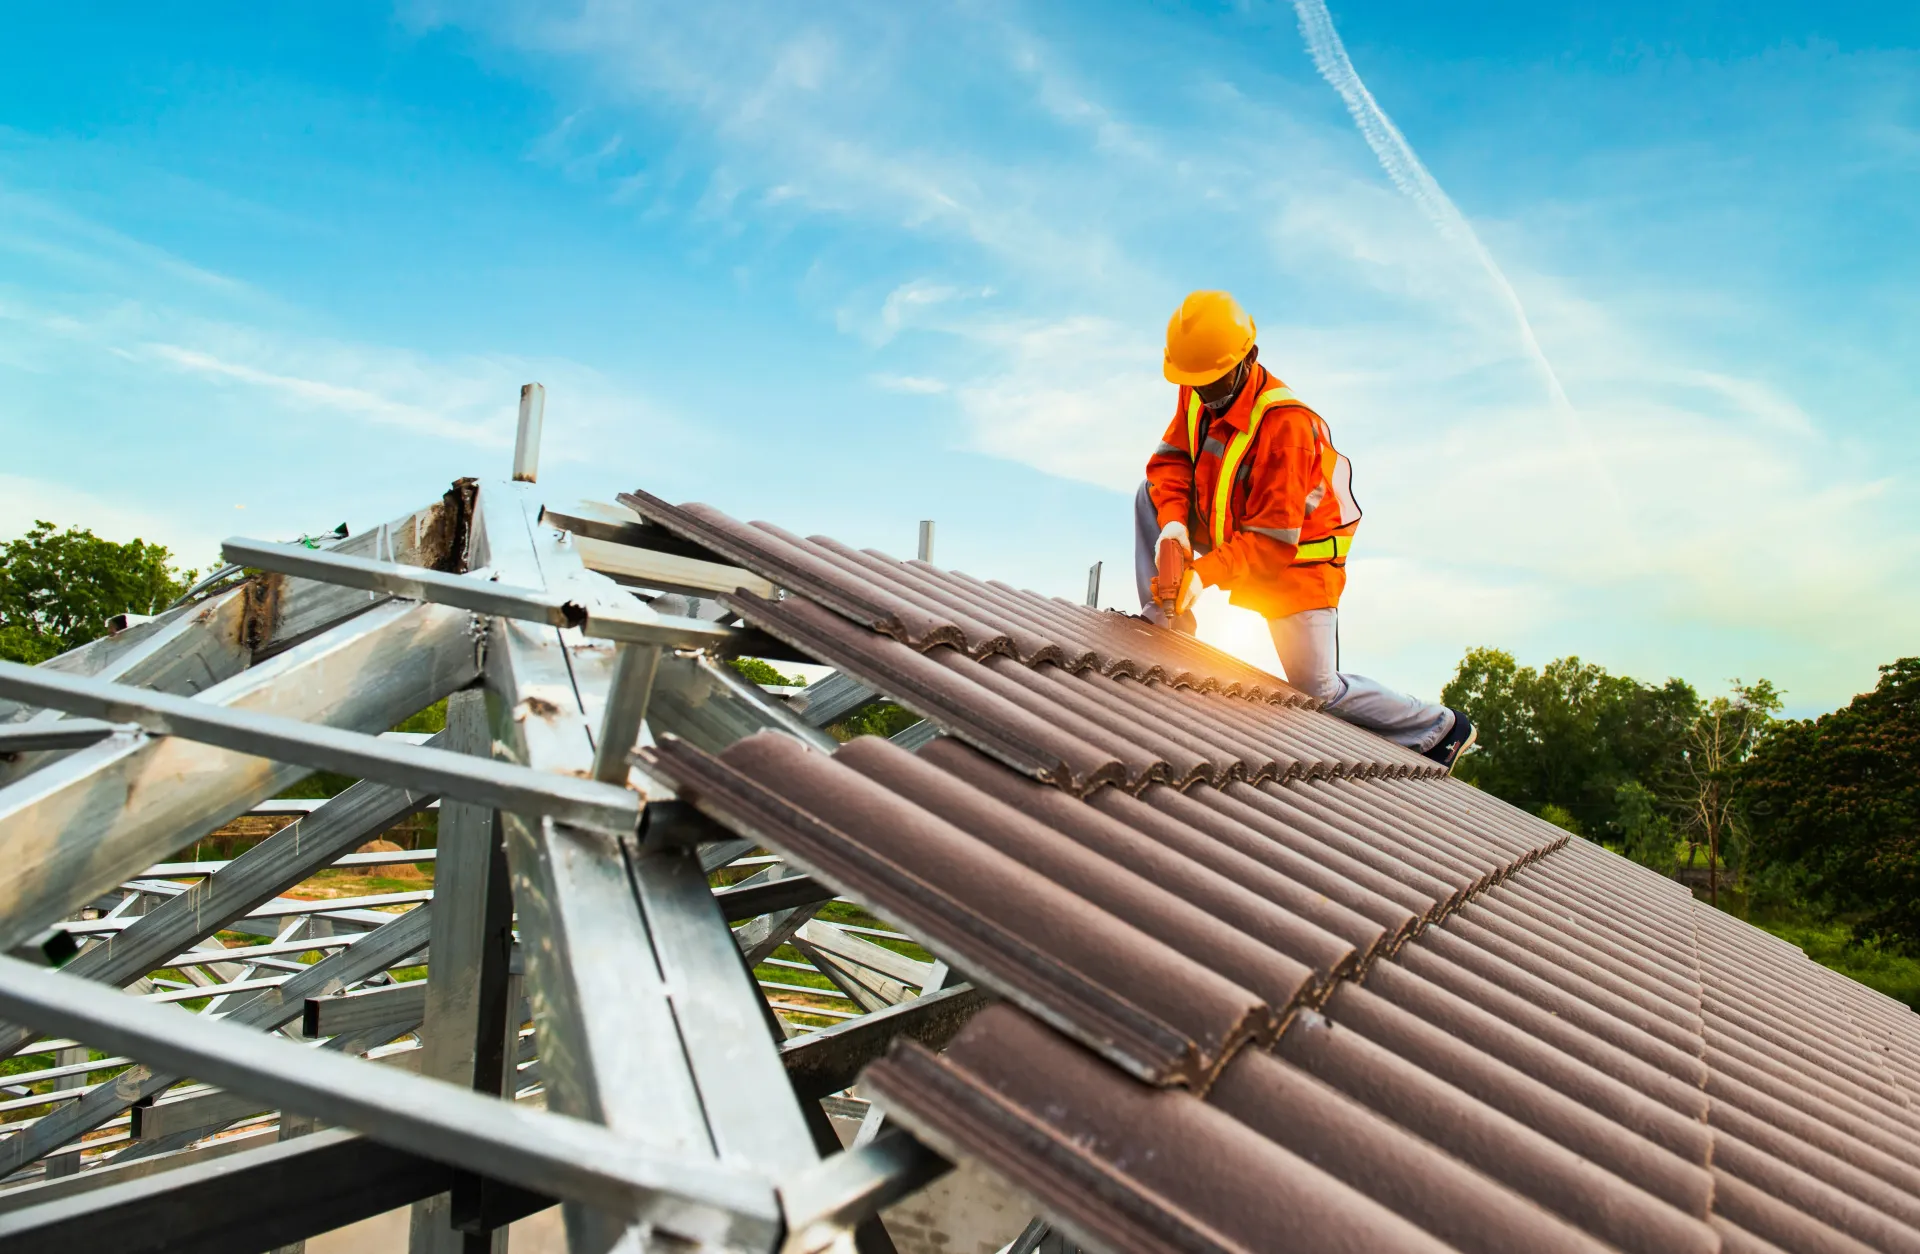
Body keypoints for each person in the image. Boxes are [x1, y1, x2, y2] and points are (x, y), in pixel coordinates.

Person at [1136, 290, 1475, 770]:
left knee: (1316, 689)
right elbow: (1170, 462)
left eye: (1213, 385)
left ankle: (1439, 728)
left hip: (1297, 562)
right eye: (1196, 385)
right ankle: (1165, 620)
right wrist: (1173, 524)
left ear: (1247, 359)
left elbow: (1272, 541)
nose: (1204, 396)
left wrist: (1203, 573)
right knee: (1148, 496)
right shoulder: (1198, 381)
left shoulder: (1286, 425)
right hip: (1231, 527)